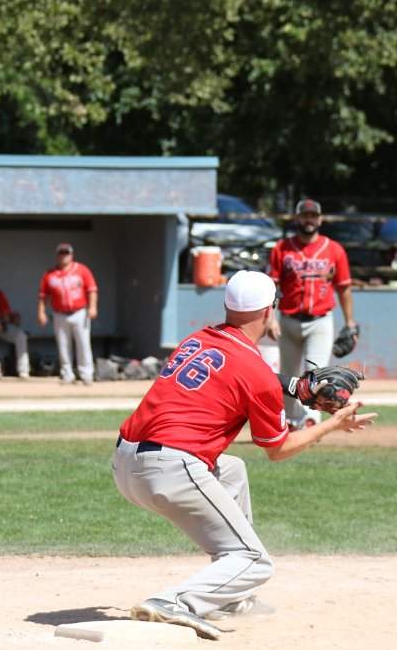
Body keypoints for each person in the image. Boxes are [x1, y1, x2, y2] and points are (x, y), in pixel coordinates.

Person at [114, 270, 376, 640]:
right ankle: (174, 602)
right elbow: (277, 449)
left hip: (125, 462)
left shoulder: (198, 339)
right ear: (269, 312)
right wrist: (332, 425)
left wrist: (295, 387)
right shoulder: (257, 373)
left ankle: (231, 597)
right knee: (256, 562)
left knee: (232, 470)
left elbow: (243, 371)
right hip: (169, 470)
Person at [267, 198, 358, 428]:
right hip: (288, 321)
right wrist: (270, 319)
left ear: (320, 219)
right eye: (305, 215)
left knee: (316, 374)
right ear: (297, 218)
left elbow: (343, 288)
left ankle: (310, 420)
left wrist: (350, 323)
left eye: (313, 215)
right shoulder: (282, 249)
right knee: (288, 375)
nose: (309, 219)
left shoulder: (334, 249)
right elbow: (271, 286)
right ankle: (288, 421)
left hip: (320, 321)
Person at [37, 243, 98, 385]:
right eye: (61, 253)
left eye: (66, 253)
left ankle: (86, 374)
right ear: (57, 255)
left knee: (83, 344)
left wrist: (93, 307)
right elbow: (43, 295)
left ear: (71, 255)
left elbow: (92, 290)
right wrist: (41, 312)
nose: (64, 256)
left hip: (79, 312)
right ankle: (67, 374)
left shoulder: (82, 270)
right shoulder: (50, 273)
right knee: (63, 345)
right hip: (59, 313)